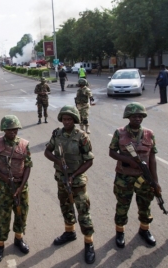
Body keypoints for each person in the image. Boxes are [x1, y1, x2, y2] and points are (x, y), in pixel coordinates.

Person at [44, 105, 96, 264]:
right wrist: (57, 160)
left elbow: (89, 160)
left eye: (69, 119)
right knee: (65, 206)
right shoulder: (57, 135)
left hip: (77, 179)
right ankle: (69, 232)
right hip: (61, 178)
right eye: (64, 119)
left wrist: (74, 175)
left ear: (74, 120)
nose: (66, 121)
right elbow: (47, 152)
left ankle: (89, 242)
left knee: (83, 209)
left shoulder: (82, 137)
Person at [109, 102, 160, 248]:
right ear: (128, 117)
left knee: (145, 205)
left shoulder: (149, 134)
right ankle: (120, 232)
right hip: (124, 178)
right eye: (134, 116)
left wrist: (155, 181)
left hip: (144, 178)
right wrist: (128, 160)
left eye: (140, 116)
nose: (137, 118)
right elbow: (112, 152)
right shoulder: (119, 133)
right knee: (122, 205)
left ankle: (144, 230)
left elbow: (152, 158)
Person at [0, 115, 32, 263]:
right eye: (9, 129)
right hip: (5, 189)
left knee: (21, 214)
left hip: (21, 188)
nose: (13, 132)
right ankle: (0, 245)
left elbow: (28, 166)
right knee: (3, 217)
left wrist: (22, 185)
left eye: (15, 129)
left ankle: (19, 239)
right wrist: (4, 177)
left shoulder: (24, 144)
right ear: (4, 129)